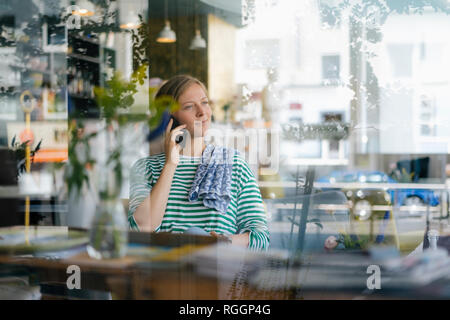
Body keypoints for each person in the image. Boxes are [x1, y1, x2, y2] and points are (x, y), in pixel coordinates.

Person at [128, 75, 269, 250]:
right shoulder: (146, 168)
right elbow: (140, 230)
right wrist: (170, 165)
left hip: (216, 269)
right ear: (168, 118)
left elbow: (261, 236)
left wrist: (226, 241)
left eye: (205, 102)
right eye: (189, 106)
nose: (202, 112)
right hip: (164, 270)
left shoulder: (234, 164)